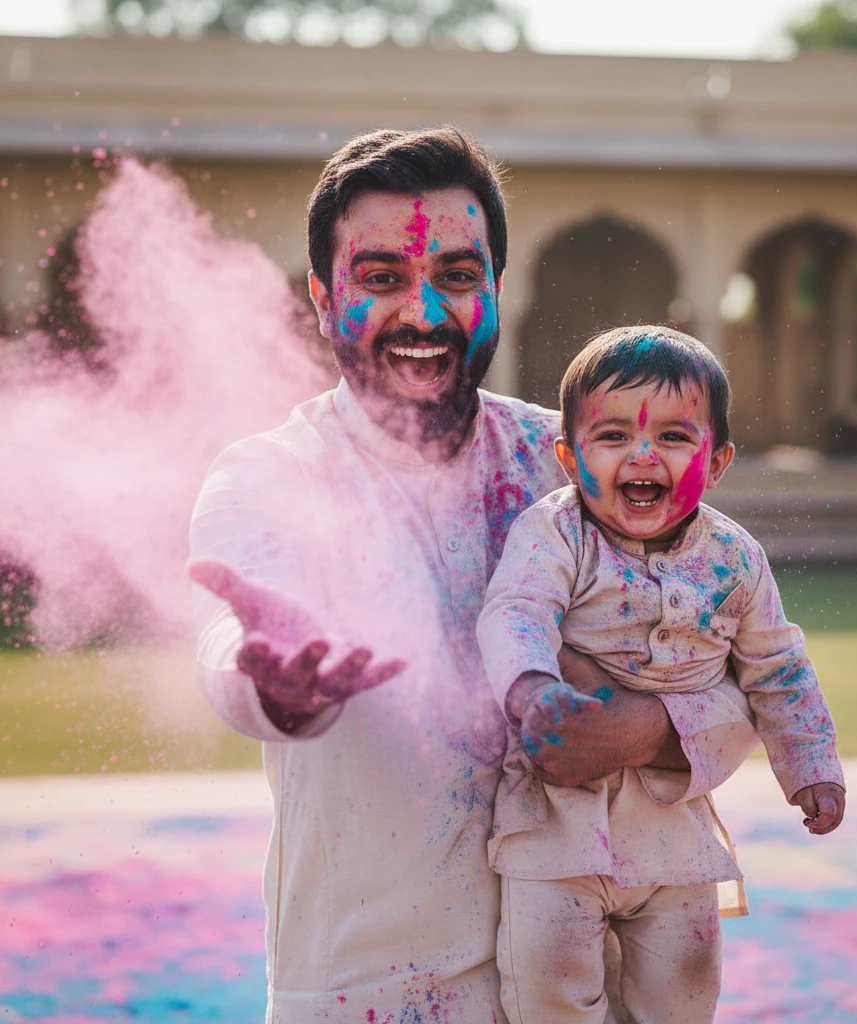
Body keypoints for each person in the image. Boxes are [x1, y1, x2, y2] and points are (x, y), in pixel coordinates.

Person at [187, 127, 760, 1022]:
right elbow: (229, 648)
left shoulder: (575, 466)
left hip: (588, 992)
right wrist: (277, 682)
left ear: (497, 285)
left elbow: (746, 679)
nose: (424, 312)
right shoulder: (274, 475)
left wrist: (641, 732)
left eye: (457, 276)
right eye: (381, 278)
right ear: (322, 297)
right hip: (368, 994)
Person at [477, 326, 846, 1024]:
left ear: (719, 460)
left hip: (676, 835)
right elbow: (516, 611)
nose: (643, 455)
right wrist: (531, 688)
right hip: (553, 830)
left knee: (684, 989)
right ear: (568, 456)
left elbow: (778, 667)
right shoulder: (555, 534)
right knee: (548, 991)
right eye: (613, 436)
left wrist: (812, 767)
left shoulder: (735, 558)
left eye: (674, 437)